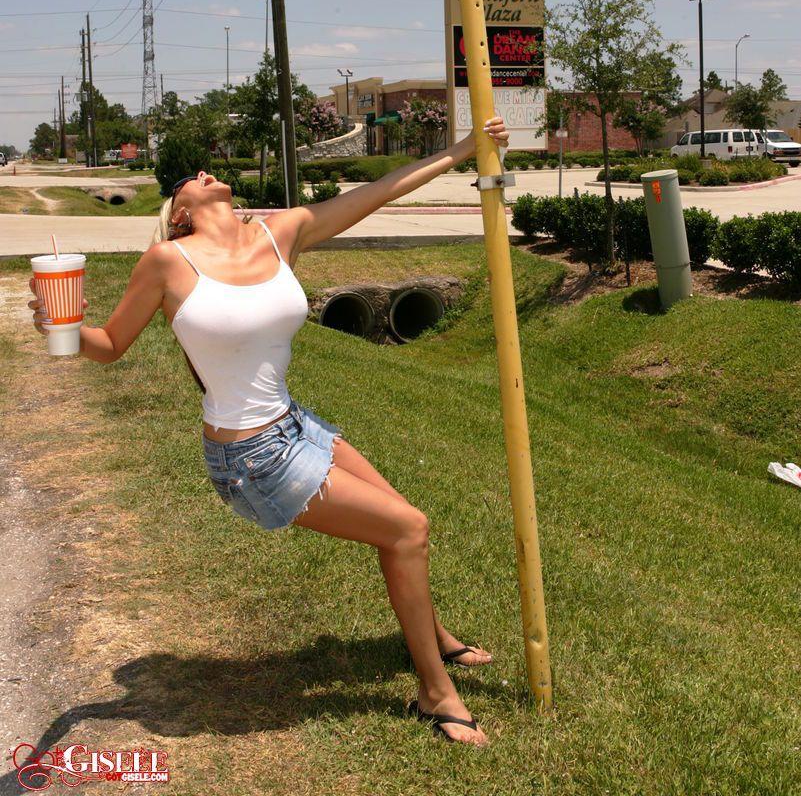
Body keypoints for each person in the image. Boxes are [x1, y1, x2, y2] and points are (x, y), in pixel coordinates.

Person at [29, 115, 511, 746]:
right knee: (408, 529)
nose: (202, 173)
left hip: (293, 424)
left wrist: (462, 150)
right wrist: (59, 327)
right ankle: (435, 695)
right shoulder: (167, 261)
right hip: (249, 457)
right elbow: (110, 345)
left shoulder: (281, 232)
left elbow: (382, 191)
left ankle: (435, 639)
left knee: (397, 520)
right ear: (180, 214)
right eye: (187, 181)